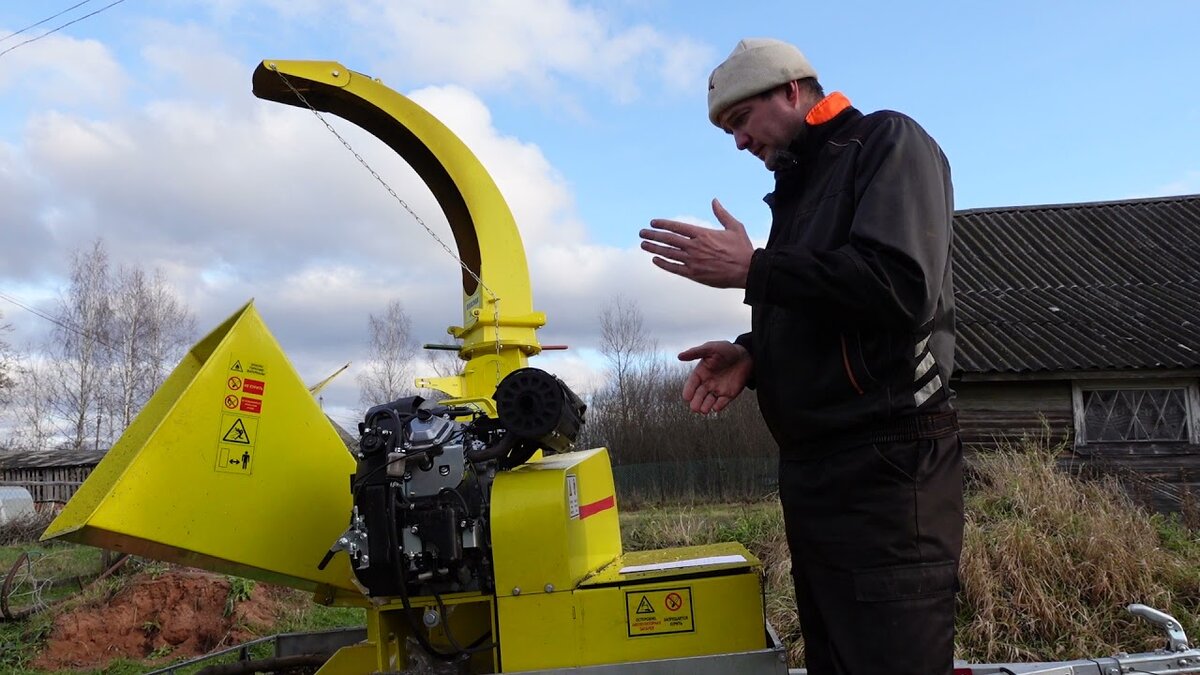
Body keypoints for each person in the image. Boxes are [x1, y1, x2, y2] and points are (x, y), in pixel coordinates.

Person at [639, 38, 963, 675]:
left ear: (791, 90)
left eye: (740, 120)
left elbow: (897, 287)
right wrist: (753, 353)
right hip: (818, 472)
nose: (737, 142)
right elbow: (829, 309)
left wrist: (754, 268)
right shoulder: (801, 186)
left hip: (888, 468)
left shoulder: (886, 143)